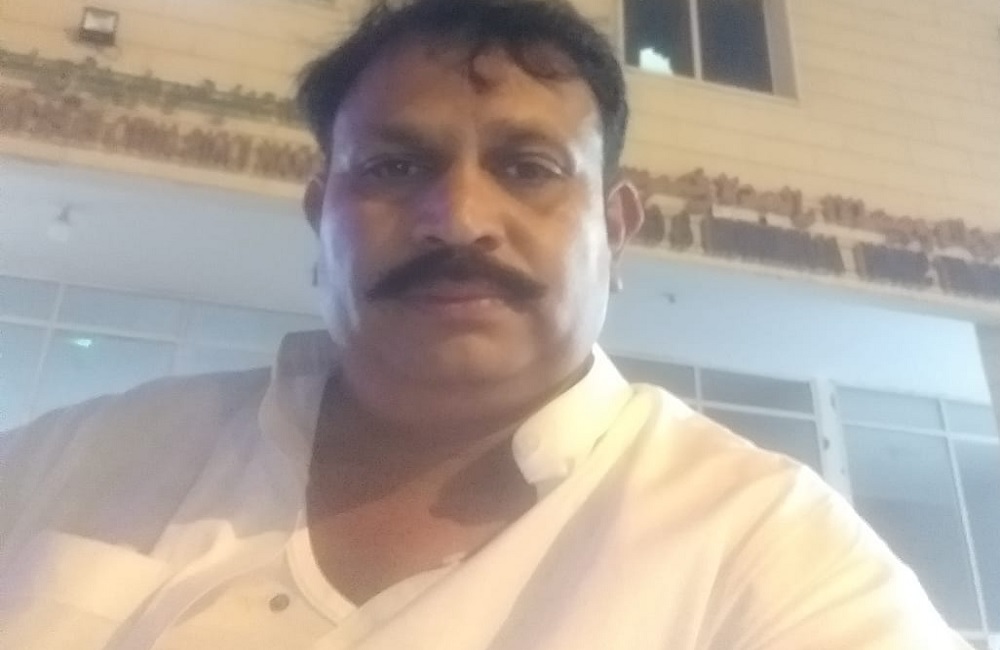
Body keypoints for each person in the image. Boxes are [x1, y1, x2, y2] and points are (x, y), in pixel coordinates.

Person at [0, 0, 974, 648]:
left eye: (528, 167)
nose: (458, 218)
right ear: (319, 214)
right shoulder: (73, 460)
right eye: (393, 167)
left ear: (615, 231)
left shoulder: (763, 548)